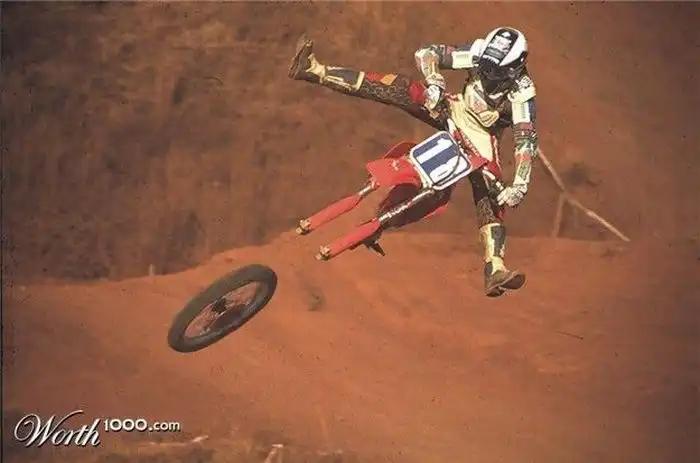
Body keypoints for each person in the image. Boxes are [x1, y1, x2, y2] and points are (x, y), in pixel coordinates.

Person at [288, 27, 538, 297]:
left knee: (492, 191)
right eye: (486, 65)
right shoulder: (477, 52)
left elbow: (525, 142)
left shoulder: (523, 94)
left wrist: (520, 185)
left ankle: (494, 268)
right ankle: (313, 69)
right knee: (401, 88)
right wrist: (434, 81)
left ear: (514, 70)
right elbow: (427, 53)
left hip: (482, 137)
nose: (487, 73)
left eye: (496, 70)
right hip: (453, 109)